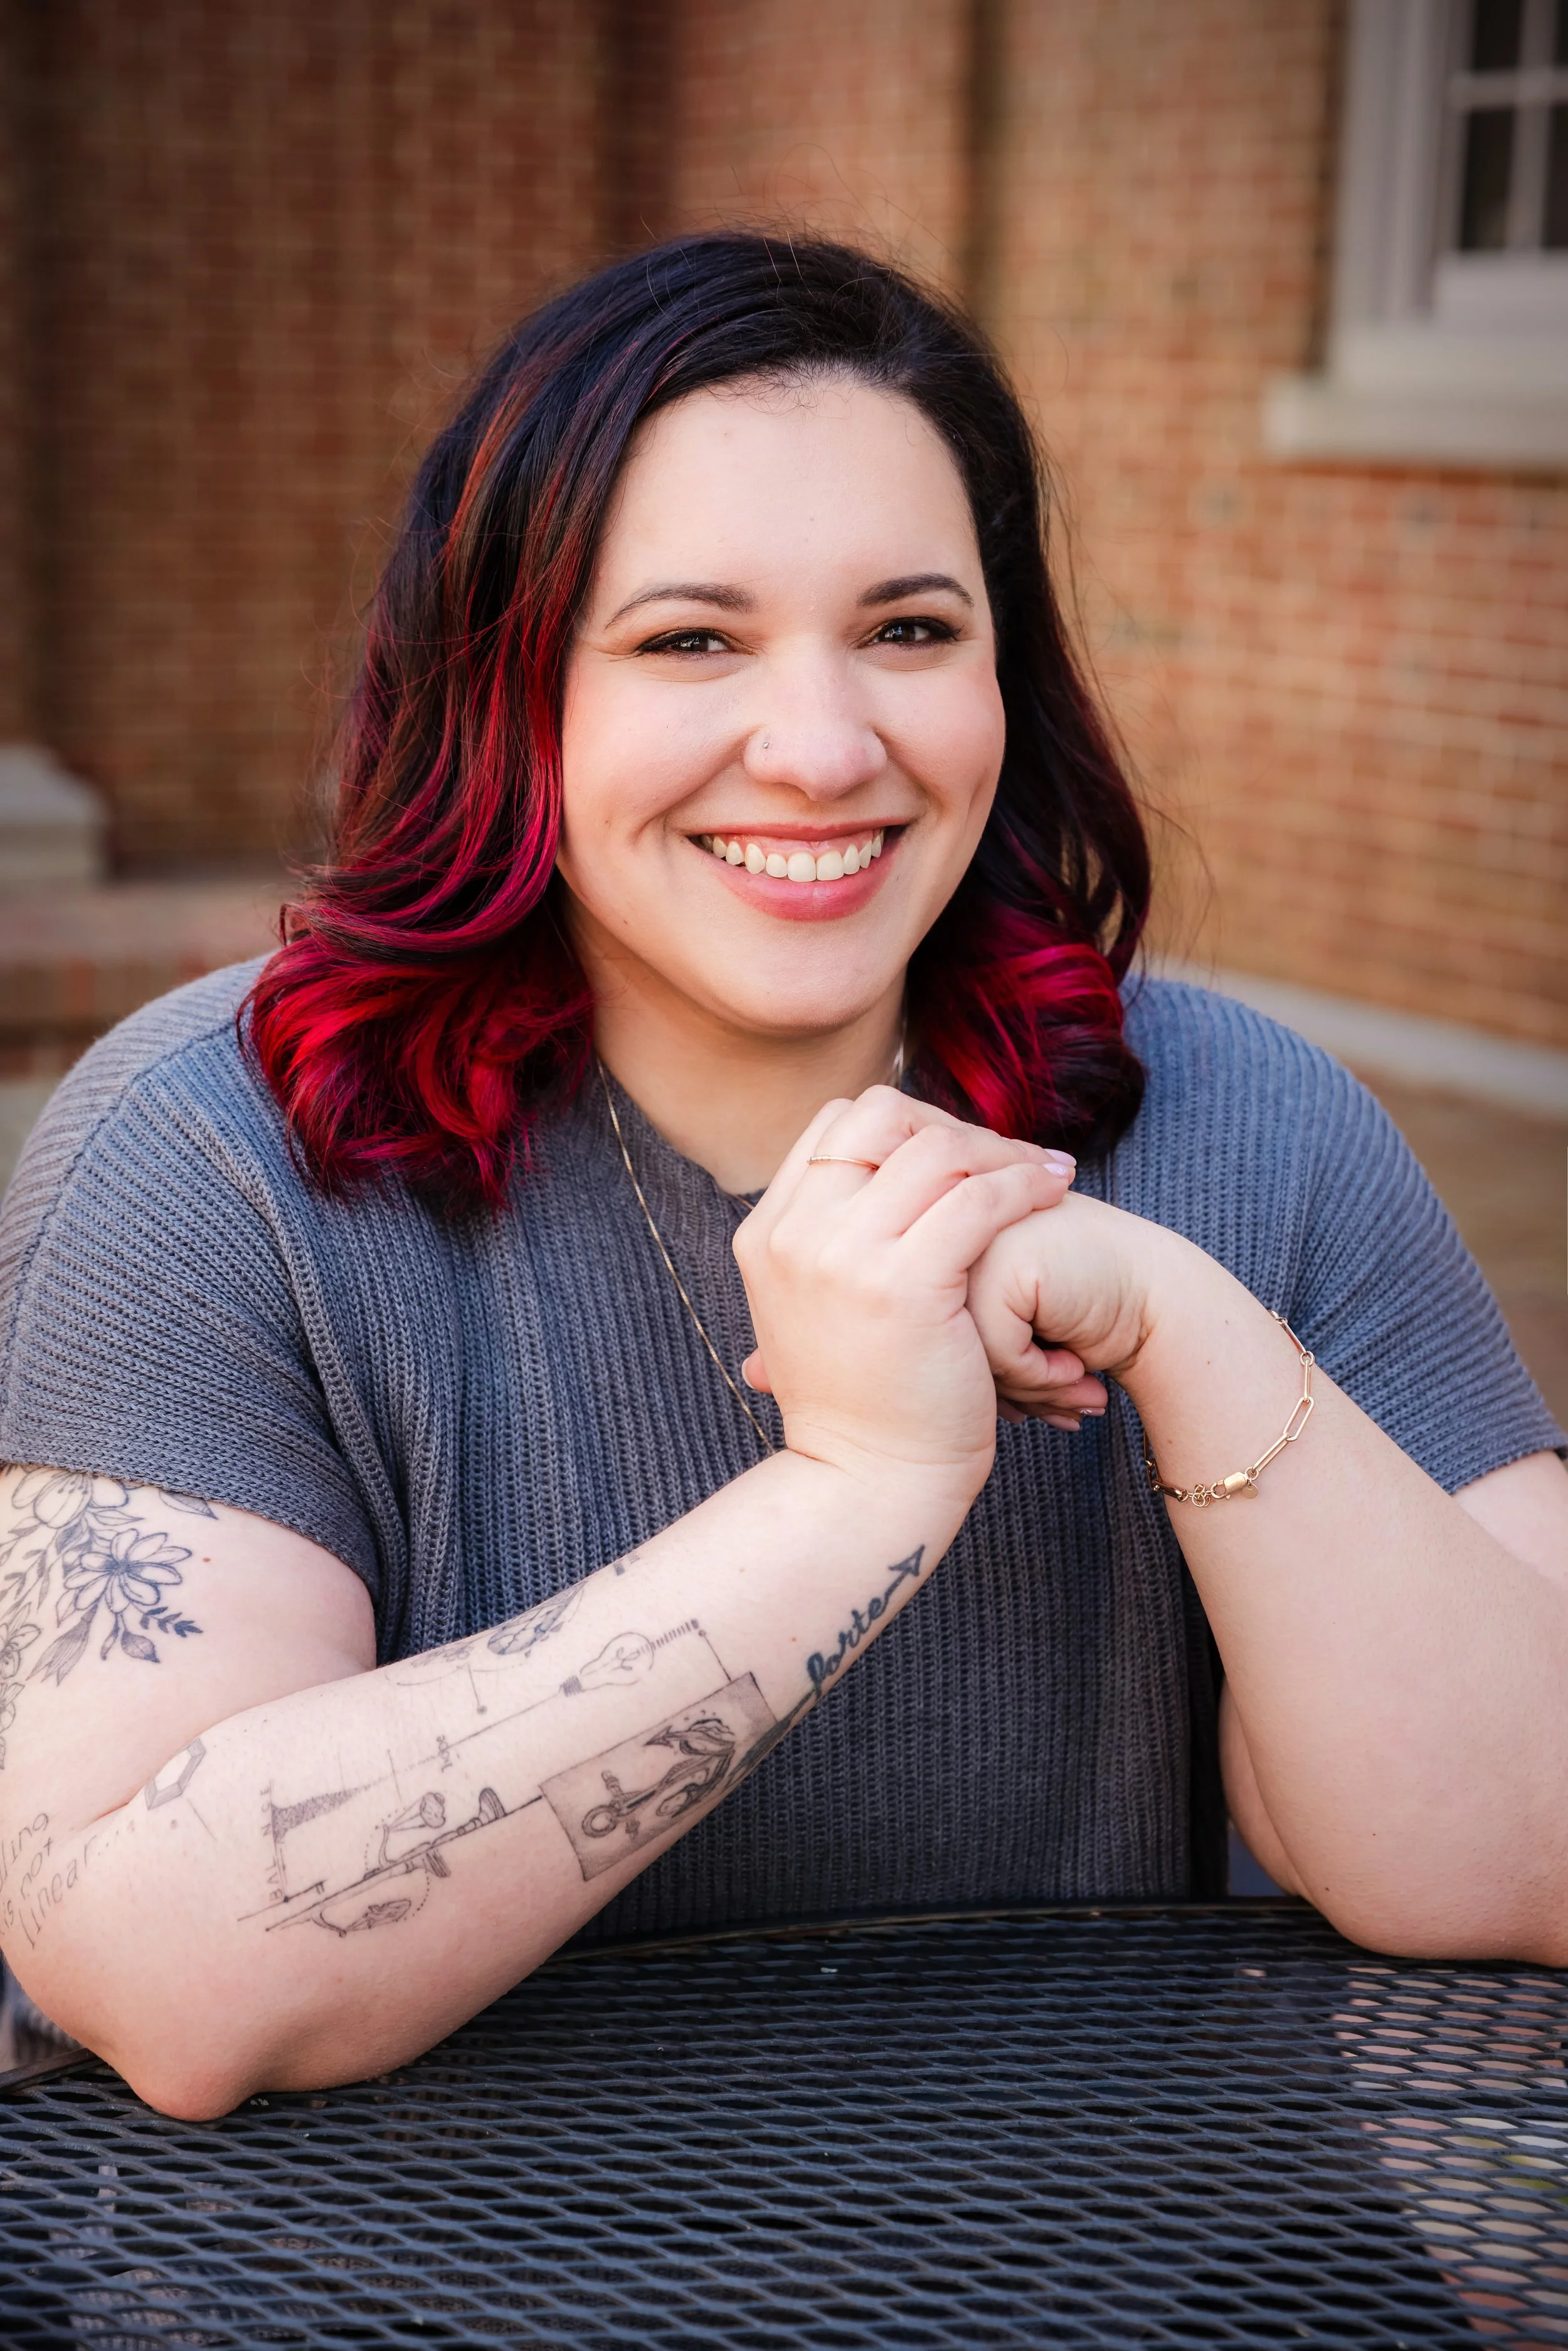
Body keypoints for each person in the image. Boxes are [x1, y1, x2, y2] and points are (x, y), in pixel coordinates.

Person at [1, 236, 1563, 2121]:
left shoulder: (1247, 1122)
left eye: (909, 629)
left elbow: (1517, 1854)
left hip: (1140, 2254)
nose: (824, 749)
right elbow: (169, 1973)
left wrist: (1195, 1335)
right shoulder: (216, 1153)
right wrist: (857, 1492)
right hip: (404, 2285)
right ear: (508, 695)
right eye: (688, 640)